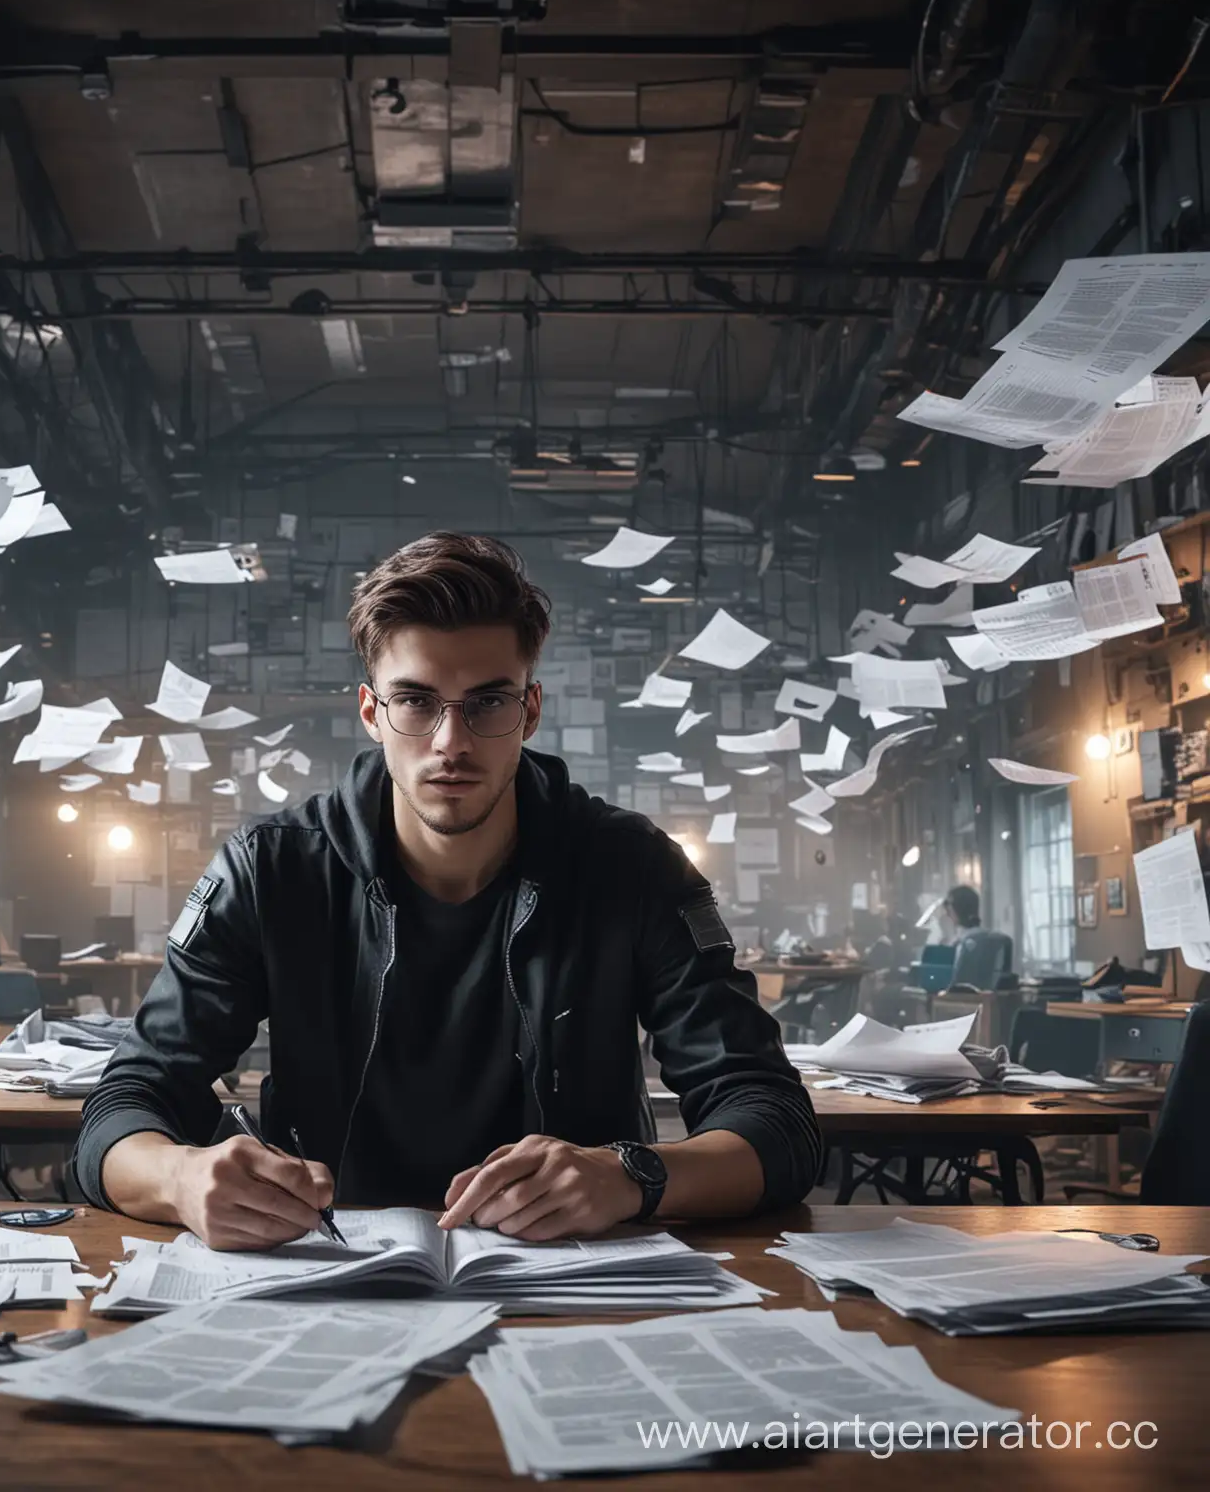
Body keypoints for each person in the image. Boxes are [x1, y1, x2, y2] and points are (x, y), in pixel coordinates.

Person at [74, 533, 822, 1249]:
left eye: (488, 703)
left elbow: (776, 1121)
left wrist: (632, 1175)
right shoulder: (270, 871)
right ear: (372, 712)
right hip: (329, 1269)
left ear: (529, 711)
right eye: (417, 702)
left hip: (575, 1282)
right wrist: (181, 1177)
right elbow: (124, 1105)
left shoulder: (632, 867)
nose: (450, 743)